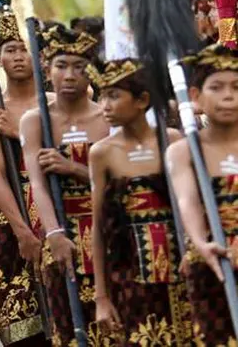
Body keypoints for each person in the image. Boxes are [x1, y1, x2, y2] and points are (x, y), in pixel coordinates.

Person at [20, 25, 116, 344]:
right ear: (47, 70)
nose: (70, 75)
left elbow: (118, 181)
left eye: (79, 66)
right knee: (68, 327)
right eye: (62, 66)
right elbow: (37, 181)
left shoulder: (107, 116)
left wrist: (71, 168)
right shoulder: (34, 120)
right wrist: (54, 234)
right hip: (61, 231)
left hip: (108, 227)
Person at [86, 59, 192, 344]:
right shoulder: (102, 153)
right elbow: (98, 226)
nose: (104, 105)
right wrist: (101, 297)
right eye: (102, 94)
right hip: (131, 277)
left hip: (182, 271)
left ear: (142, 100)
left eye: (114, 95)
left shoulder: (171, 140)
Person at [0, 7, 50, 344]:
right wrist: (22, 232)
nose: (19, 57)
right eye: (10, 50)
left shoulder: (55, 104)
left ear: (41, 56)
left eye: (25, 48)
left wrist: (21, 133)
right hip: (13, 216)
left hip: (57, 208)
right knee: (22, 318)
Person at [166, 44, 238, 345]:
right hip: (213, 261)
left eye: (236, 86)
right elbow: (186, 200)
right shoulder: (182, 151)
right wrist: (200, 242)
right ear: (195, 96)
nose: (228, 96)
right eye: (217, 87)